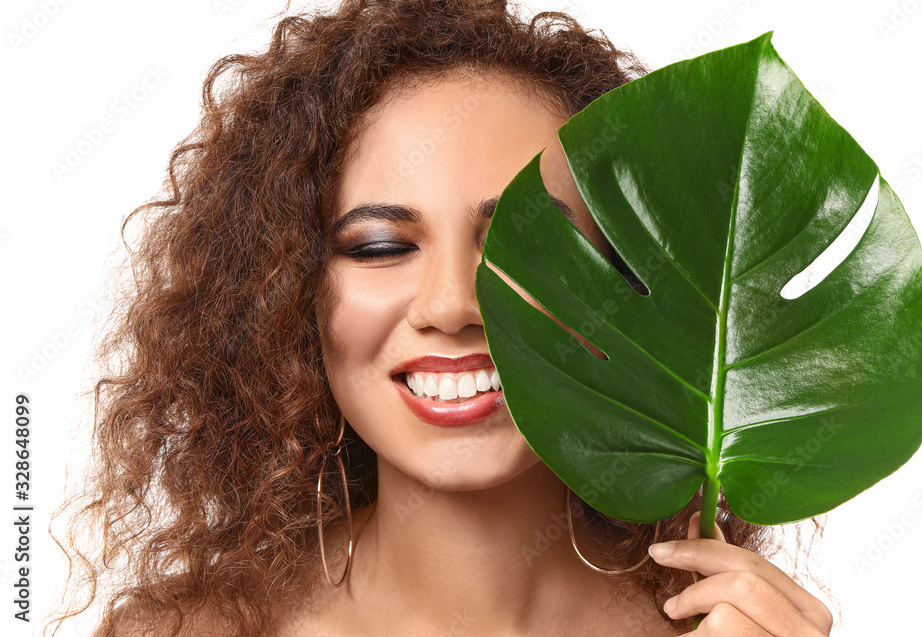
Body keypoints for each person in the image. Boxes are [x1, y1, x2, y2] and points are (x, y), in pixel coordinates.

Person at [51, 1, 834, 635]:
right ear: (287, 291)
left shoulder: (732, 627)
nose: (455, 303)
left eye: (527, 244)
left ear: (627, 281)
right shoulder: (195, 632)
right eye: (384, 245)